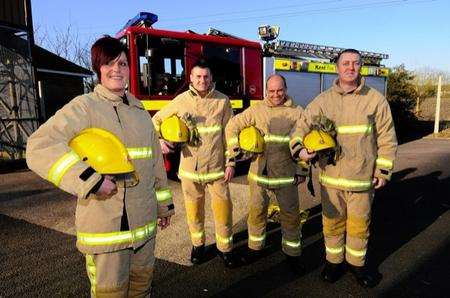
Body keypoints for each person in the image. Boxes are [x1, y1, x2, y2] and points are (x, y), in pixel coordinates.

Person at [26, 35, 174, 297]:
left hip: (144, 228)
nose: (116, 69)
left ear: (130, 69)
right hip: (106, 232)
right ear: (98, 69)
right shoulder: (84, 107)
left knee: (142, 290)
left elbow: (154, 164)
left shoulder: (140, 112)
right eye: (109, 64)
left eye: (122, 63)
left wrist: (164, 205)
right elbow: (39, 146)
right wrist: (90, 180)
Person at [291, 49, 397, 287]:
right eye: (346, 63)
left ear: (361, 67)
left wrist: (382, 170)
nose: (350, 67)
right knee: (332, 224)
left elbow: (387, 139)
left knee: (359, 226)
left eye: (355, 64)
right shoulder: (323, 101)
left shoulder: (375, 100)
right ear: (337, 67)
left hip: (362, 179)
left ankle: (357, 266)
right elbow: (300, 128)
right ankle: (333, 262)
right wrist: (301, 150)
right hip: (331, 179)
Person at [152, 60, 237, 268]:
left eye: (206, 76)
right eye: (198, 77)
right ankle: (198, 246)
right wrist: (160, 141)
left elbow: (231, 134)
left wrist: (231, 162)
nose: (202, 80)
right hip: (190, 171)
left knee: (223, 212)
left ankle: (225, 248)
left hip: (217, 170)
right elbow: (155, 121)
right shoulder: (180, 101)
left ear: (211, 78)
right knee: (193, 212)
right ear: (190, 78)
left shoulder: (223, 101)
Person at [225, 74, 307, 274]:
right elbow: (231, 126)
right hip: (259, 175)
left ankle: (292, 254)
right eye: (271, 91)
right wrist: (235, 150)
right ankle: (255, 248)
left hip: (286, 175)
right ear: (266, 91)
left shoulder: (298, 112)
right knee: (256, 213)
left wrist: (302, 169)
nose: (275, 94)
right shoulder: (256, 110)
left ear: (285, 89)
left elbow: (306, 141)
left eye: (279, 90)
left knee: (290, 216)